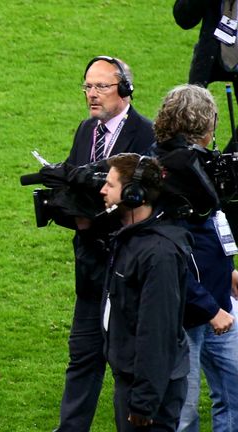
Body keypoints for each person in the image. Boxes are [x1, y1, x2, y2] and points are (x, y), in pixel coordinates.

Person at [55, 56, 156, 431]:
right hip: (90, 268)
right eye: (87, 87)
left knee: (125, 364)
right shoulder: (85, 130)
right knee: (82, 357)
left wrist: (97, 216)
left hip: (128, 268)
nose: (92, 95)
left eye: (101, 87)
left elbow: (146, 201)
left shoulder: (146, 135)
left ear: (125, 89)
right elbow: (75, 184)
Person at [150, 84, 238, 432]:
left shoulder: (189, 164)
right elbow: (171, 262)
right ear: (205, 124)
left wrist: (228, 268)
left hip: (219, 300)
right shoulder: (167, 174)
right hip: (187, 311)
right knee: (181, 413)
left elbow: (212, 226)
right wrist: (209, 308)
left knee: (233, 392)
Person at [99, 153, 191, 431]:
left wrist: (144, 402)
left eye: (110, 185)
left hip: (149, 390)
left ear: (134, 194)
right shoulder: (132, 236)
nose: (102, 190)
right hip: (130, 377)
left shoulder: (157, 254)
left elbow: (157, 331)